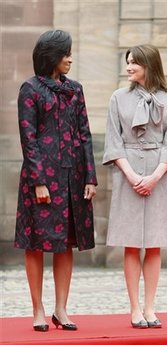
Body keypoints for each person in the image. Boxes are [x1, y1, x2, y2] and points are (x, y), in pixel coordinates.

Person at [14, 30, 97, 332]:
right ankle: (38, 309)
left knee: (65, 244)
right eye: (66, 54)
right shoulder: (30, 89)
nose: (70, 59)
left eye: (71, 53)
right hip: (41, 179)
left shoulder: (75, 89)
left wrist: (90, 176)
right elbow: (29, 137)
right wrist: (38, 181)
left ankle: (61, 309)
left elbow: (84, 135)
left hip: (72, 178)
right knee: (35, 244)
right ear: (51, 55)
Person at [103, 44, 167, 328]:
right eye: (127, 62)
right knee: (131, 244)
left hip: (160, 176)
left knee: (155, 245)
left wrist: (154, 177)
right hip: (127, 175)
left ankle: (150, 308)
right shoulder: (117, 98)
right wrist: (132, 175)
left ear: (149, 64)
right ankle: (134, 309)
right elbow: (114, 143)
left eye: (134, 62)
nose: (129, 67)